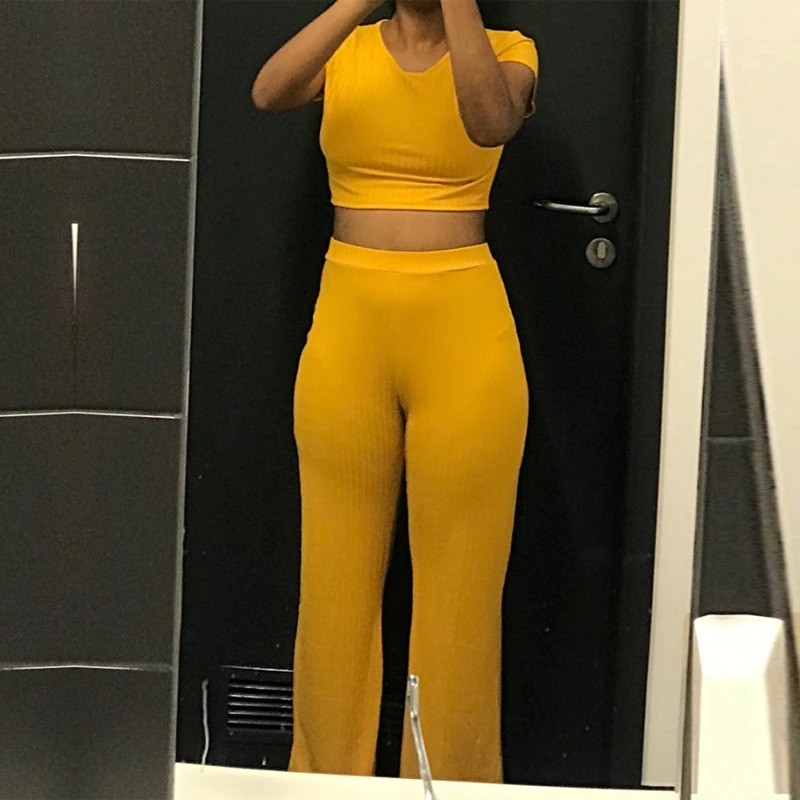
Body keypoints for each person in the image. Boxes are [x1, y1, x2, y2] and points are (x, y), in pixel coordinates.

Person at [251, 0, 538, 783]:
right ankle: (323, 786)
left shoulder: (510, 50)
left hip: (465, 337)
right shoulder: (346, 48)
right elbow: (269, 92)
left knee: (460, 601)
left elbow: (489, 123)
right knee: (333, 592)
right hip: (349, 327)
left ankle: (453, 787)